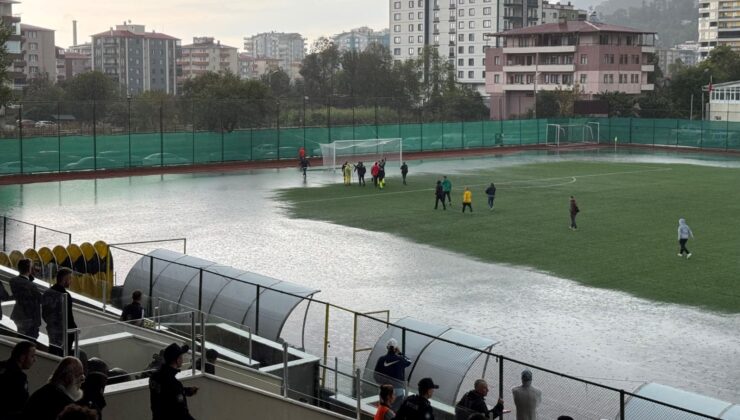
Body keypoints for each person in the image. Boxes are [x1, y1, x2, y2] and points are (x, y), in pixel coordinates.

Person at [149, 343, 197, 420]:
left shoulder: (154, 377)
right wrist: (181, 391)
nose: (182, 359)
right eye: (181, 357)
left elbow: (166, 393)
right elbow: (182, 414)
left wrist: (185, 391)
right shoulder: (174, 384)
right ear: (177, 360)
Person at [42, 267, 77, 356]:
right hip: (64, 332)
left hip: (52, 330)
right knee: (64, 355)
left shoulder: (47, 293)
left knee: (53, 351)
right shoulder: (65, 295)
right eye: (70, 279)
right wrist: (74, 330)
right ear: (65, 279)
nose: (71, 281)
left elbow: (44, 314)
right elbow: (69, 317)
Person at [0, 341, 37, 419]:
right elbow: (22, 404)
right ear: (22, 357)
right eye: (32, 356)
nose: (34, 360)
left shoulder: (1, 366)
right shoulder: (19, 377)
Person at [373, 338, 411, 412]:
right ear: (396, 348)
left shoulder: (381, 359)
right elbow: (409, 361)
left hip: (384, 390)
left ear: (387, 347)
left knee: (384, 411)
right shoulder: (400, 359)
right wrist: (400, 353)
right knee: (396, 412)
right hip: (398, 390)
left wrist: (383, 385)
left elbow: (375, 375)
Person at [9, 258, 42, 340]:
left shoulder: (13, 281)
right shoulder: (31, 286)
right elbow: (41, 299)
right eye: (32, 267)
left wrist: (30, 276)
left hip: (18, 315)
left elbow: (24, 286)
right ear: (29, 269)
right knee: (30, 340)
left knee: (21, 338)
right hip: (29, 318)